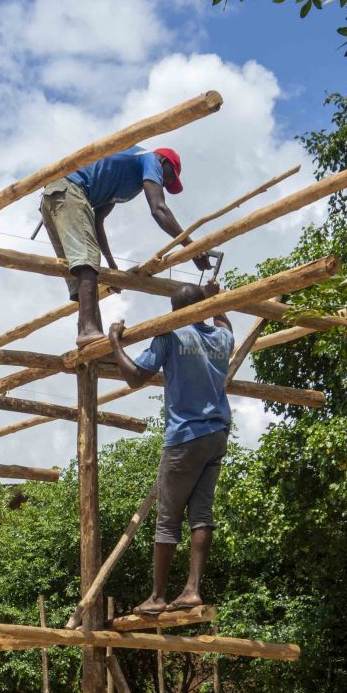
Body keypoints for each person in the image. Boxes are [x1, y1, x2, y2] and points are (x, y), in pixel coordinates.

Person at [107, 280, 233, 615]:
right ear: (202, 310)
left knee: (168, 518)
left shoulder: (170, 334)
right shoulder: (222, 338)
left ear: (175, 313)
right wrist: (215, 299)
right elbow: (225, 322)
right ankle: (192, 590)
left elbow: (135, 376)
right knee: (201, 515)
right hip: (216, 436)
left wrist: (115, 342)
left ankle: (159, 596)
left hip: (185, 437)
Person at [40, 146, 214, 349]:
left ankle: (91, 341)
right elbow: (159, 209)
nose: (165, 183)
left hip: (55, 197)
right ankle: (88, 330)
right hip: (69, 192)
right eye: (169, 178)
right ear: (164, 163)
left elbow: (97, 221)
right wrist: (191, 247)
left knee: (82, 272)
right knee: (86, 262)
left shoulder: (127, 182)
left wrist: (112, 267)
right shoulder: (150, 159)